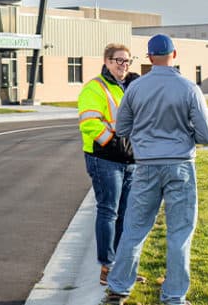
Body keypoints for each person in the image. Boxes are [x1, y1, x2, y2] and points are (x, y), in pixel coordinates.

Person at [102, 34, 208, 305]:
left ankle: (118, 288)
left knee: (135, 228)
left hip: (146, 168)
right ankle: (174, 296)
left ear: (150, 57)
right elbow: (206, 135)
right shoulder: (189, 89)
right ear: (174, 55)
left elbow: (123, 128)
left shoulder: (136, 89)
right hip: (180, 167)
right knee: (179, 232)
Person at [78, 43, 141, 286]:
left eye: (127, 61)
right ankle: (107, 266)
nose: (123, 65)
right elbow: (90, 123)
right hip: (104, 159)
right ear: (106, 61)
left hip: (129, 160)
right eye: (118, 60)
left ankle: (120, 265)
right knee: (109, 210)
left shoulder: (129, 87)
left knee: (125, 212)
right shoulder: (95, 88)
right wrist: (117, 145)